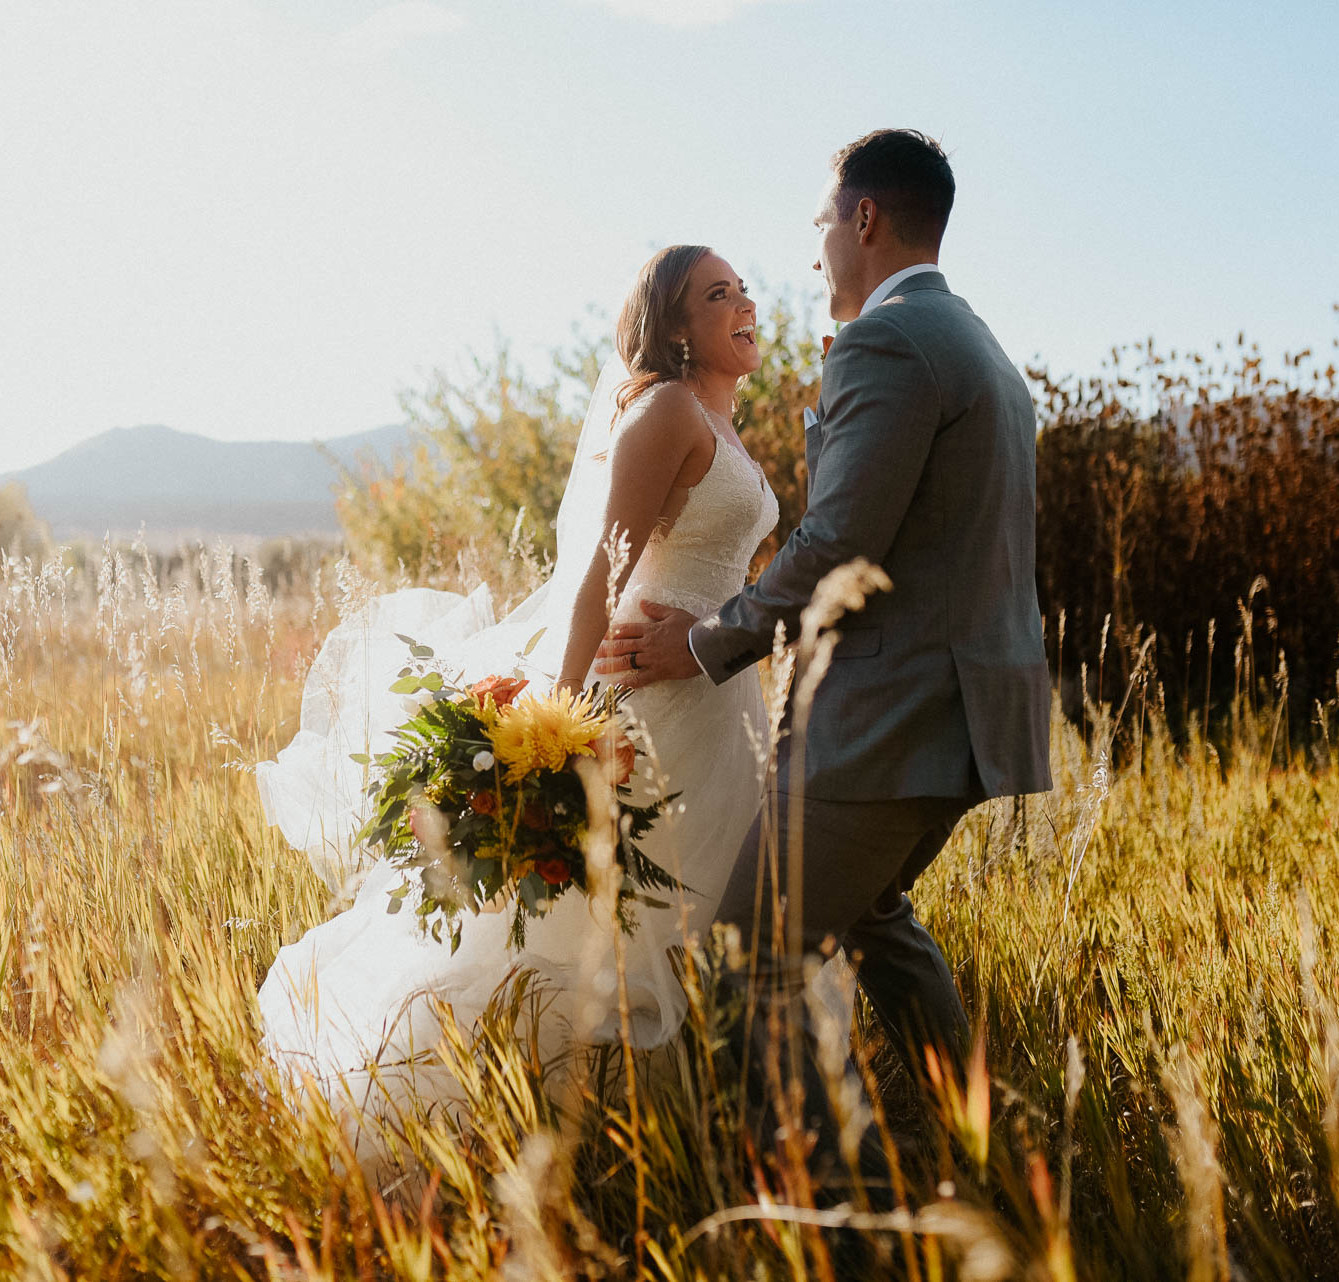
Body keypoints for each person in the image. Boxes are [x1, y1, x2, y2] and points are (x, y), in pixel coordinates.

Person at [594, 129, 1054, 1162]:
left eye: (818, 227)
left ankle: (812, 1209)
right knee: (878, 916)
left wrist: (708, 641)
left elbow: (841, 539)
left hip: (894, 719)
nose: (811, 261)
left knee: (758, 950)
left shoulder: (889, 343)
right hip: (970, 715)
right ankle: (980, 1146)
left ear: (863, 220)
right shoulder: (981, 347)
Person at [254, 245, 784, 1140]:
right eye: (716, 294)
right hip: (644, 700)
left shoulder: (727, 423)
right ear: (675, 325)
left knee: (698, 909)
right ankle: (527, 1107)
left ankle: (684, 1117)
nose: (744, 303)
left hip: (715, 695)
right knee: (604, 923)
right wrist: (560, 715)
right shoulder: (664, 411)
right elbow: (595, 578)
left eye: (743, 289)